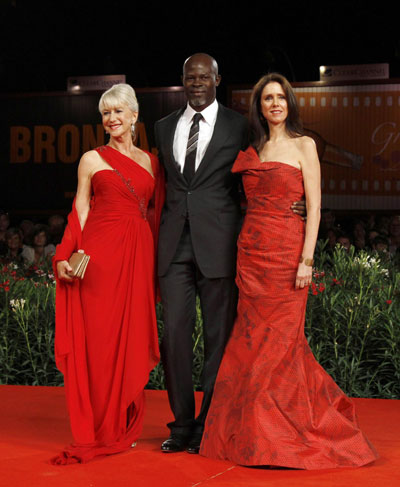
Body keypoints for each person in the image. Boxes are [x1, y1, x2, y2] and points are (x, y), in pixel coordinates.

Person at [200, 73, 378, 469]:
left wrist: (307, 260)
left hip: (286, 257)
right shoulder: (253, 148)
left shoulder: (305, 145)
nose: (275, 104)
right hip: (250, 256)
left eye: (281, 97)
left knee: (281, 345)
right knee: (250, 344)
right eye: (267, 99)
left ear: (289, 103)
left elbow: (313, 207)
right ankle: (252, 436)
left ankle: (279, 435)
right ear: (259, 107)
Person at [155, 54, 304, 454]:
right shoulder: (163, 126)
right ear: (182, 80)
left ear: (218, 79)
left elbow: (266, 170)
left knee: (219, 342)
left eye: (205, 77)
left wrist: (295, 201)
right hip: (173, 248)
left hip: (220, 247)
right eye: (190, 77)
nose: (197, 83)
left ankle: (208, 424)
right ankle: (182, 424)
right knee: (174, 340)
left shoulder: (240, 126)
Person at [51, 83, 164, 465]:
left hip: (137, 257)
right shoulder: (90, 159)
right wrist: (66, 254)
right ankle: (99, 428)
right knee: (99, 342)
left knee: (129, 337)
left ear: (134, 116)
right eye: (106, 113)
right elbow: (80, 210)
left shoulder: (151, 162)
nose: (112, 119)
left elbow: (155, 213)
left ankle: (123, 423)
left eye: (119, 111)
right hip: (99, 258)